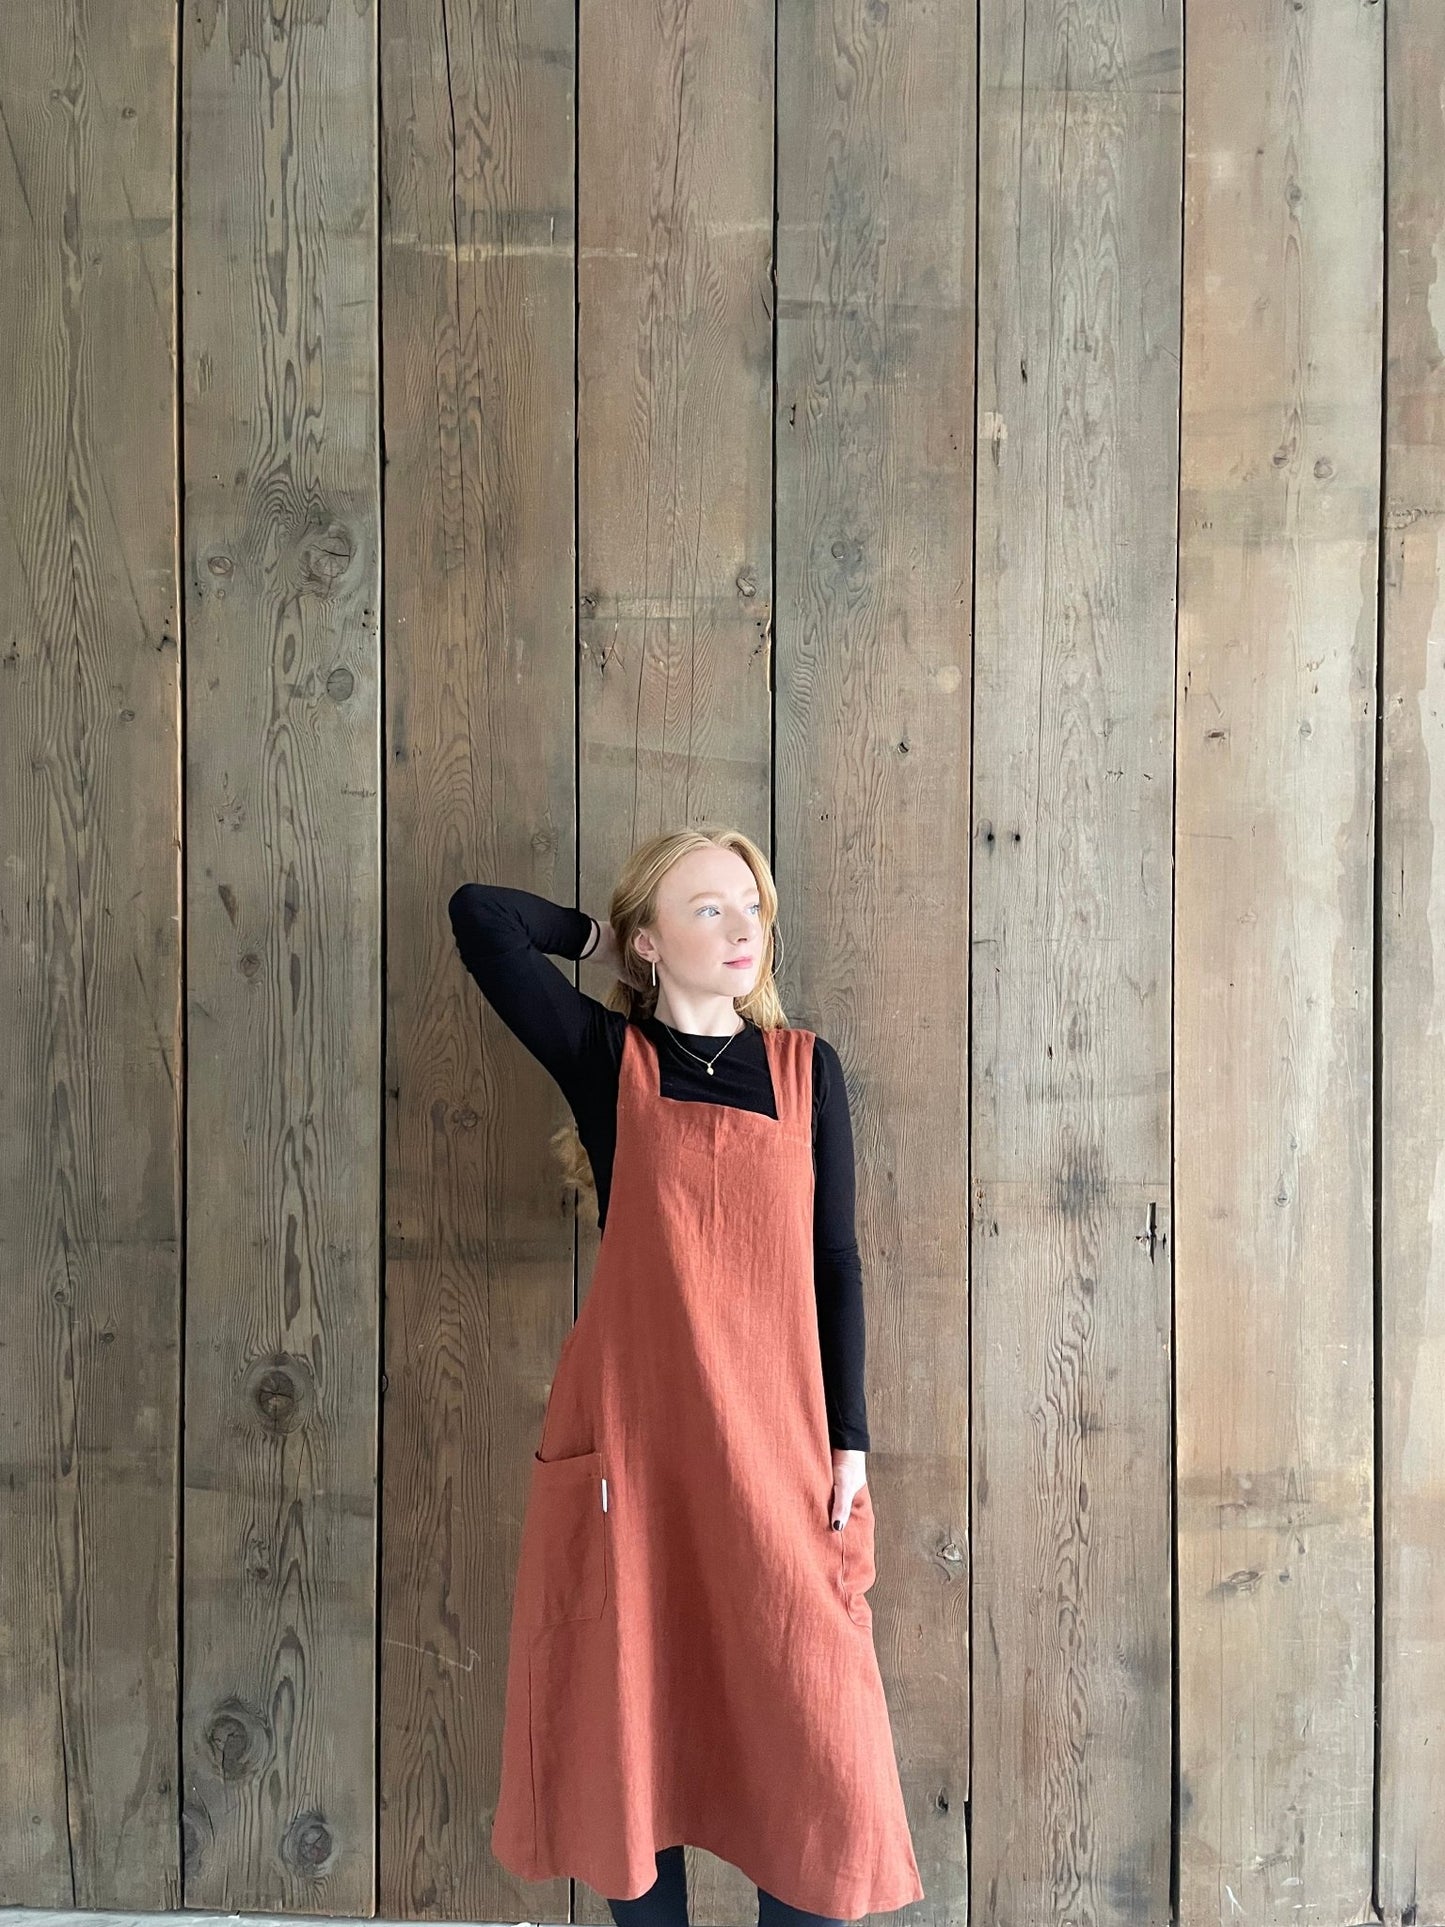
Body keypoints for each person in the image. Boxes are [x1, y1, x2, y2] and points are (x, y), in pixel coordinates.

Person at [448, 825, 924, 1926]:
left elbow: (836, 1263)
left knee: (812, 1746)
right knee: (636, 1731)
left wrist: (847, 1444)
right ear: (648, 944)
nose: (740, 926)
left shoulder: (807, 1070)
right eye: (706, 907)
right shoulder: (607, 1060)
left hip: (780, 1450)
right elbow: (483, 915)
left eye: (750, 904)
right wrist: (589, 936)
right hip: (640, 1456)